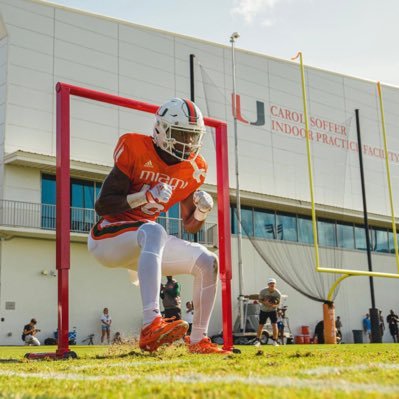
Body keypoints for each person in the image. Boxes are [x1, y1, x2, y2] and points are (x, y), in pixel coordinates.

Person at [88, 98, 228, 354]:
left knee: (209, 262)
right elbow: (104, 205)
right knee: (154, 230)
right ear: (162, 129)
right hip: (109, 237)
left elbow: (190, 225)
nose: (188, 143)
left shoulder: (193, 169)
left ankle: (198, 340)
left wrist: (202, 210)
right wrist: (144, 196)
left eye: (192, 136)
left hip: (147, 244)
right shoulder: (135, 147)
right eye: (182, 134)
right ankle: (151, 323)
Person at [253, 277, 281, 347]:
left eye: (273, 283)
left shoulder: (277, 293)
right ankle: (258, 341)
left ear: (275, 284)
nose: (272, 284)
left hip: (272, 311)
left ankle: (275, 341)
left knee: (274, 325)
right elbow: (259, 300)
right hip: (264, 310)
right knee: (261, 325)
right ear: (268, 284)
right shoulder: (263, 291)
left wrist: (273, 305)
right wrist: (266, 303)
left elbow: (278, 304)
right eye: (270, 283)